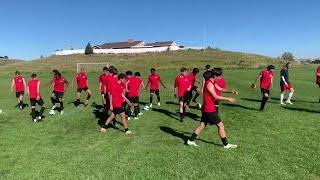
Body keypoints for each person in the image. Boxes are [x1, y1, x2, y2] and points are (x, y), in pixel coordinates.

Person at [187, 68, 237, 149]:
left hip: (206, 108)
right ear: (215, 76)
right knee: (220, 125)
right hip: (209, 109)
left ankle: (190, 140)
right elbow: (215, 96)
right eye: (219, 76)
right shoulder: (209, 84)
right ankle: (226, 144)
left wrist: (231, 91)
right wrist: (228, 99)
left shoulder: (213, 82)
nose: (220, 78)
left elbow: (220, 89)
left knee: (202, 125)